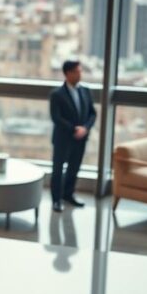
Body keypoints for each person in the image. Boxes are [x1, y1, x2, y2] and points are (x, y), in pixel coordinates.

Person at [49, 60, 96, 212]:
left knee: (74, 169)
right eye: (77, 71)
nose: (80, 74)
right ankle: (56, 200)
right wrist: (74, 129)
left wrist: (85, 128)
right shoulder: (57, 94)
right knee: (57, 170)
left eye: (80, 71)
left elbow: (92, 113)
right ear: (68, 73)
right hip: (63, 139)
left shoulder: (85, 91)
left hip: (81, 138)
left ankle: (68, 195)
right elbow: (56, 117)